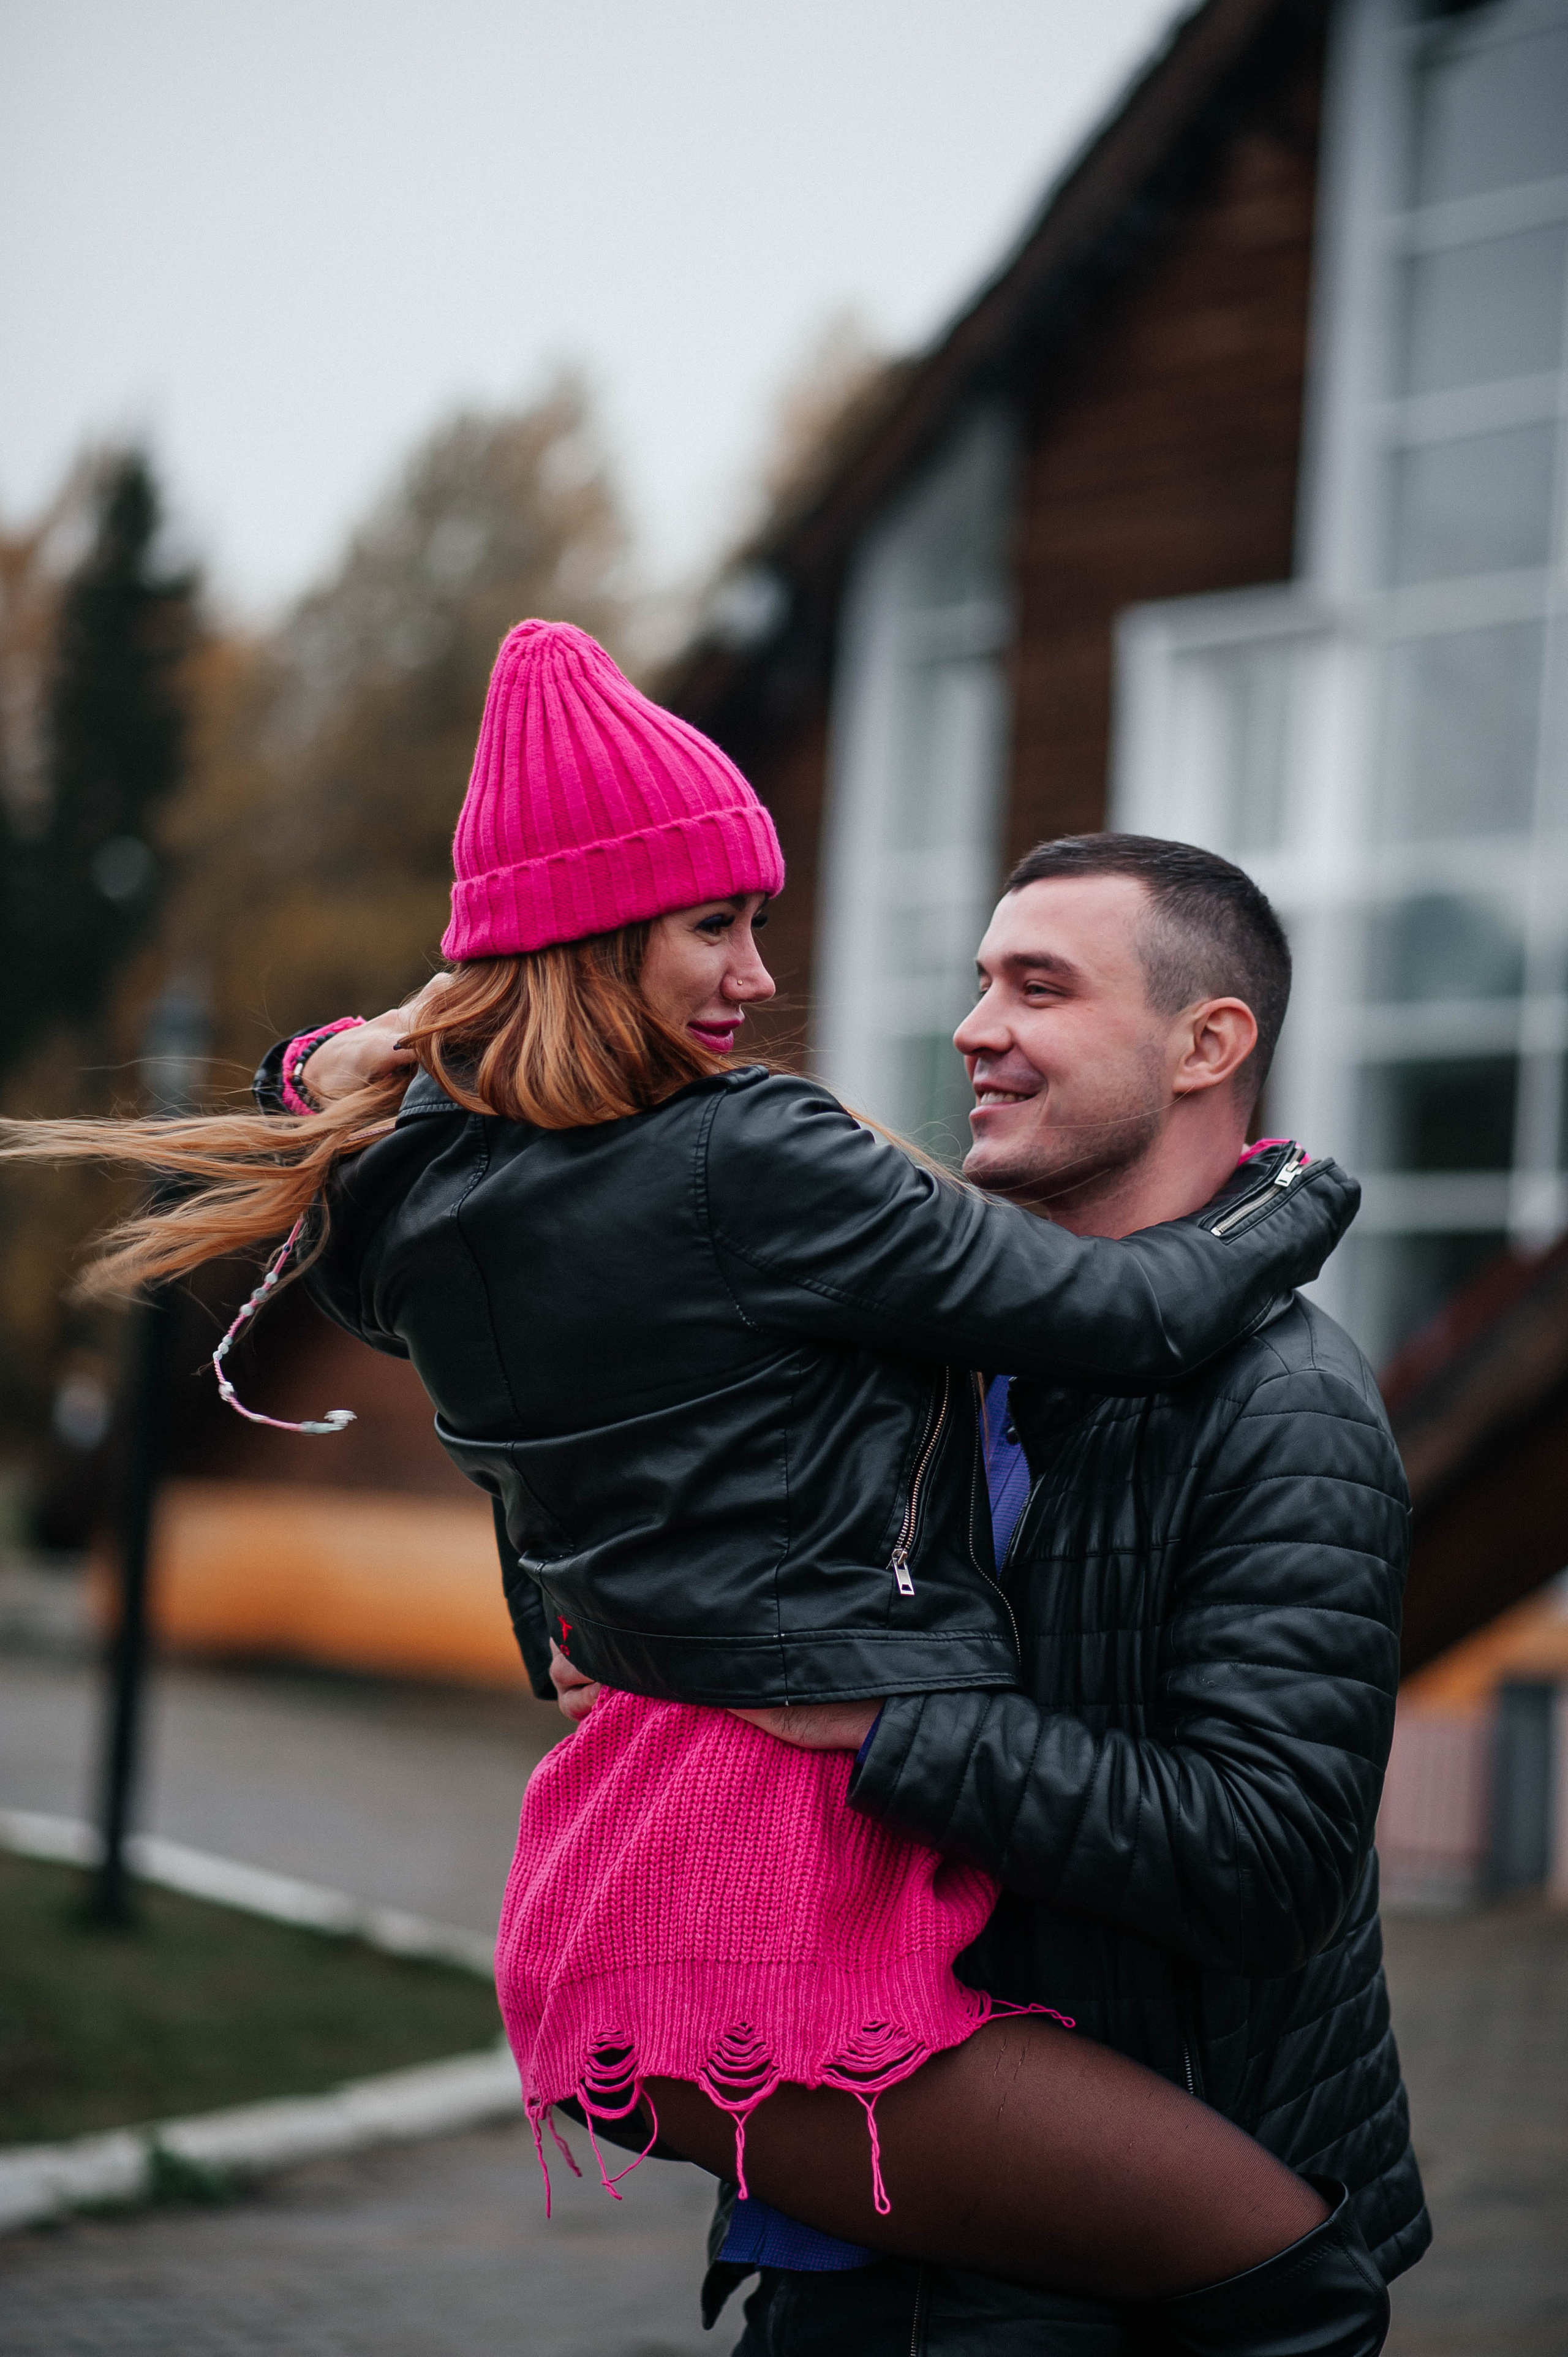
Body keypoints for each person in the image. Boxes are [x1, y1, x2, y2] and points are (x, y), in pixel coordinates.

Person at [2, 627, 1385, 2357]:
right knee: (1301, 2285)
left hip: (630, 1905)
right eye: (715, 923)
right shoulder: (749, 1162)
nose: (765, 979)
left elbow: (593, 1438)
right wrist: (1316, 1183)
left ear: (1210, 1040)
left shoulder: (414, 1201)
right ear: (594, 939)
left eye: (1035, 989)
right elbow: (1139, 1311)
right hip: (767, 1934)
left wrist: (339, 1059)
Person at [651, 833, 1426, 2354]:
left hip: (1084, 2289)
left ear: (1207, 1043)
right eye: (978, 978)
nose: (972, 1025)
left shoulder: (1286, 1408)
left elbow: (1269, 1856)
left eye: (1038, 985)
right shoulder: (916, 1338)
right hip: (851, 2230)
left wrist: (884, 1721)